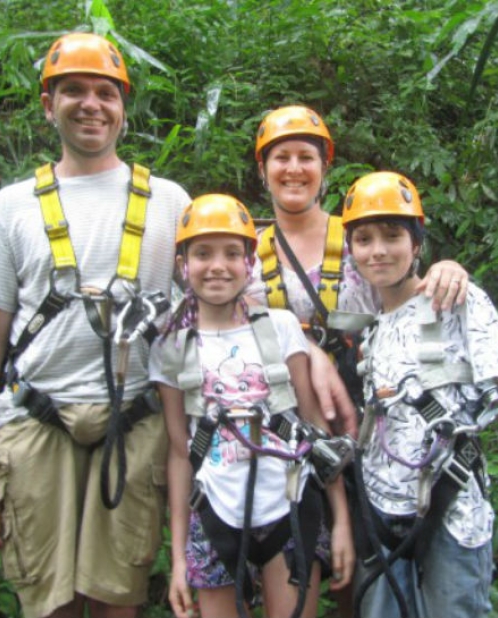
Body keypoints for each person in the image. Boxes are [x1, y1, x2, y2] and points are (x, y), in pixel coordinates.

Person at [0, 32, 191, 618]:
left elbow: (214, 310)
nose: (91, 105)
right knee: (47, 601)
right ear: (46, 104)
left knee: (118, 599)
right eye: (73, 91)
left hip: (134, 422)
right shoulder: (12, 207)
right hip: (37, 419)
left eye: (105, 93)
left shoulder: (168, 202)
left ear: (123, 107)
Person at [341, 171, 498, 618]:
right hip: (380, 515)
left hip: (451, 514)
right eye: (364, 239)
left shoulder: (456, 302)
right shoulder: (371, 325)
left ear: (417, 244)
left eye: (393, 235)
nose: (378, 250)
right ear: (351, 250)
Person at [149, 194, 355, 618]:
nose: (218, 266)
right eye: (202, 253)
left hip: (290, 506)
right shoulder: (171, 345)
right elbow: (177, 451)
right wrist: (179, 558)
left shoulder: (279, 329)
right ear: (183, 264)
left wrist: (342, 524)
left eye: (231, 253)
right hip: (213, 511)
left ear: (249, 262)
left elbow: (316, 430)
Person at [246, 104, 470, 438]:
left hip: (367, 417)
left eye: (306, 157)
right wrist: (307, 347)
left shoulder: (362, 241)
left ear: (325, 167)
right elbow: (217, 316)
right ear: (263, 169)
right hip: (275, 428)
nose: (294, 168)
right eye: (282, 158)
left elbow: (412, 296)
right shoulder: (243, 255)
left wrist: (448, 269)